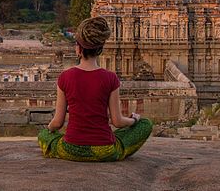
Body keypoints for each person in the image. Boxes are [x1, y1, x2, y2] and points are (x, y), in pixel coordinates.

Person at [38, 16, 153, 162]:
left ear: (78, 48)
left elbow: (58, 122)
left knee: (43, 134)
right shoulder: (111, 78)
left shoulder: (65, 77)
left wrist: (48, 129)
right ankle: (119, 146)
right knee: (146, 124)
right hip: (104, 150)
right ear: (100, 49)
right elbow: (117, 122)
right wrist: (134, 120)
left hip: (71, 149)